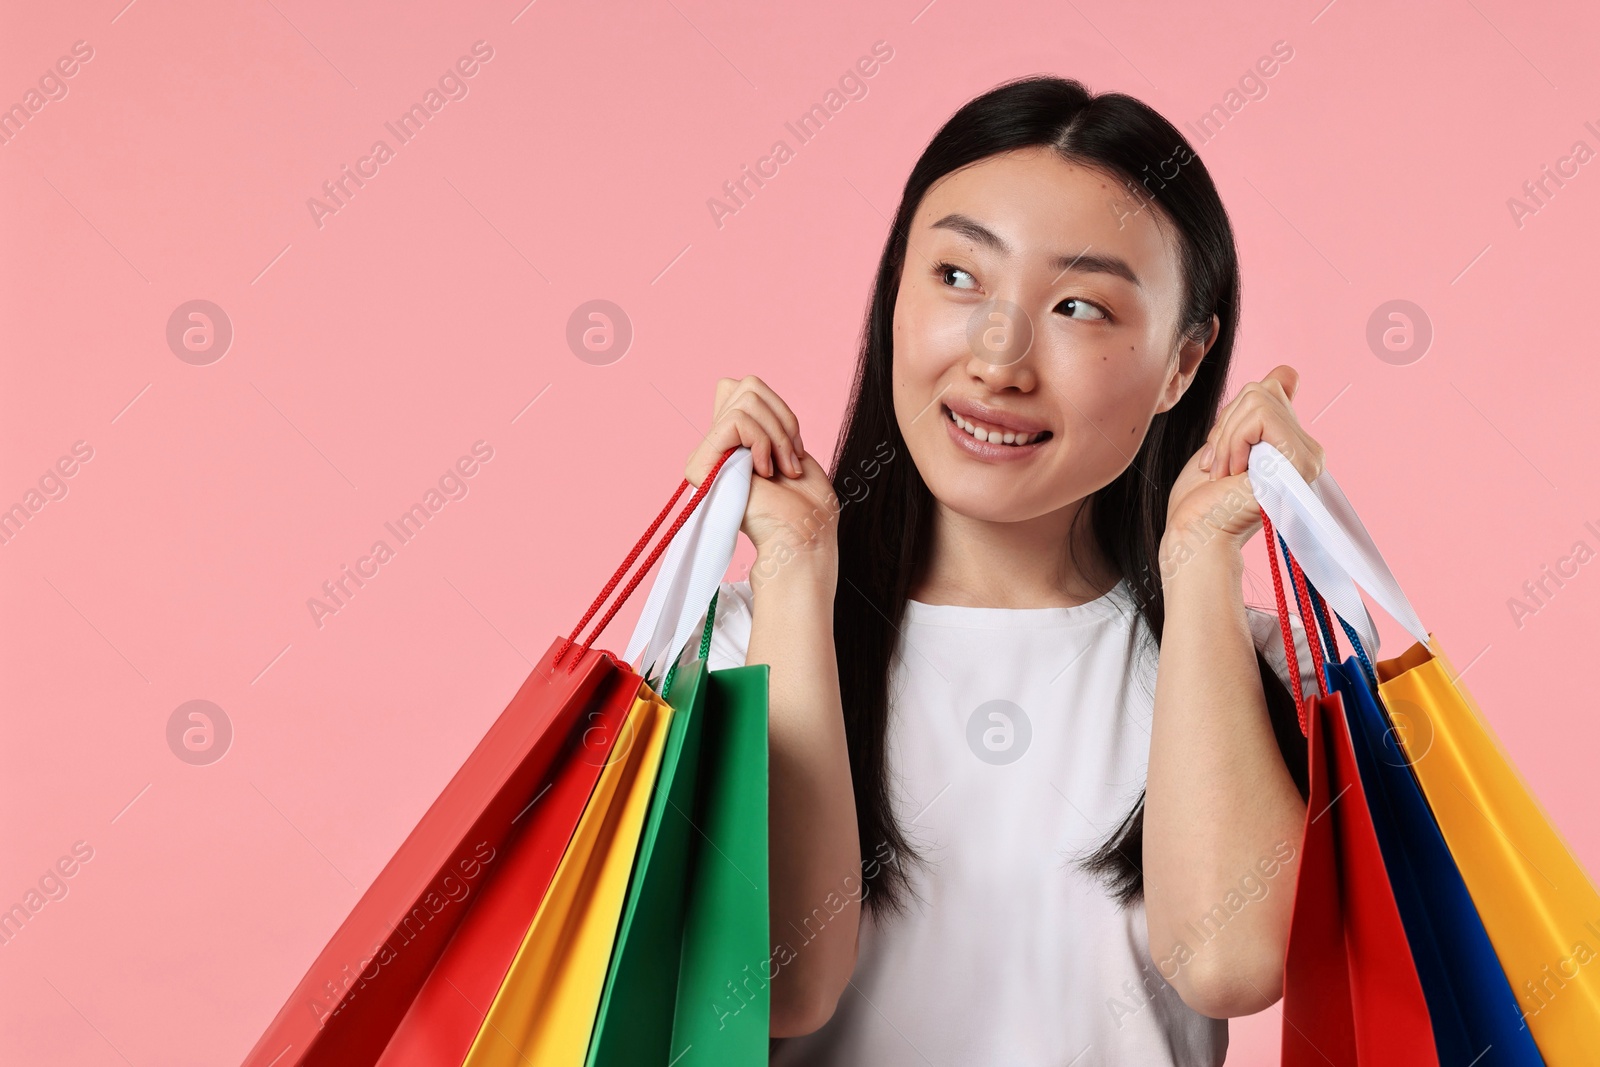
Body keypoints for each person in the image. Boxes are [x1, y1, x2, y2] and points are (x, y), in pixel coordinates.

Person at [675, 74, 1323, 1066]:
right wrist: (797, 573)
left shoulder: (1243, 663)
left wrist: (1199, 568)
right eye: (957, 278)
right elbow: (778, 987)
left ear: (1183, 366)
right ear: (895, 291)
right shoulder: (737, 648)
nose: (996, 356)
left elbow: (1230, 962)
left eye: (1077, 305)